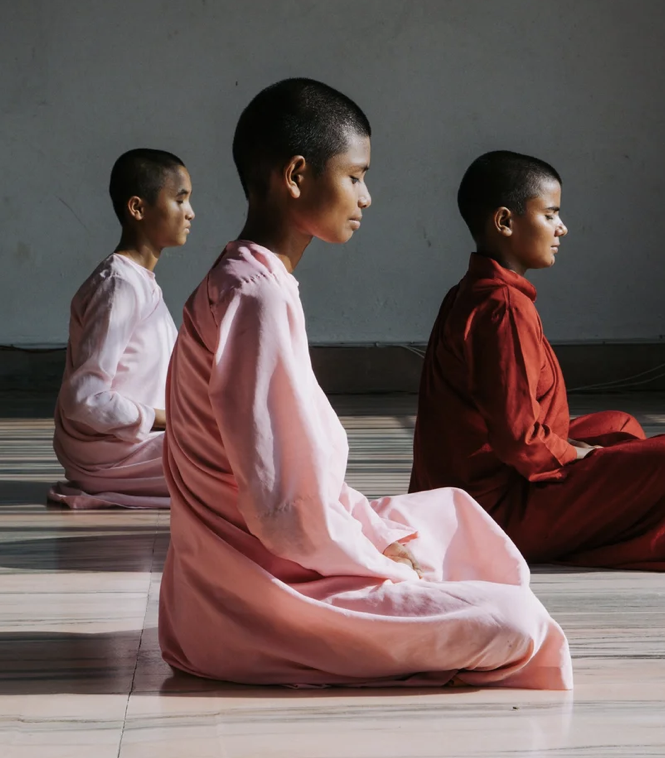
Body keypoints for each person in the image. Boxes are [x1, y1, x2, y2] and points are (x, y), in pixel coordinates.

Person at [158, 80, 572, 689]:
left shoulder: (247, 279)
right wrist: (379, 561)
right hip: (253, 598)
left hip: (232, 581)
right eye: (355, 176)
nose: (367, 196)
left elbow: (301, 484)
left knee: (452, 514)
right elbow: (284, 509)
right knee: (515, 623)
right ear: (297, 175)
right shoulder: (259, 295)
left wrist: (376, 538)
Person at [410, 150, 665, 571]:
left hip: (462, 495)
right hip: (492, 513)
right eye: (550, 214)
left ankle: (601, 520)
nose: (562, 228)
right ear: (505, 222)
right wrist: (578, 457)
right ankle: (610, 535)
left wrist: (580, 450)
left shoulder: (470, 291)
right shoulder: (503, 307)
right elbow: (518, 440)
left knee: (618, 426)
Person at [48, 149, 194, 509]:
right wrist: (168, 420)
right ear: (137, 208)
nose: (190, 212)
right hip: (110, 455)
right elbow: (85, 399)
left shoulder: (138, 281)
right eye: (180, 200)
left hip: (131, 444)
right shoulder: (119, 286)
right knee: (249, 460)